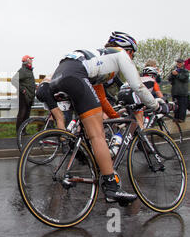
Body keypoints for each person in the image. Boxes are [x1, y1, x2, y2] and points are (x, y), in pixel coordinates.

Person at [49, 31, 169, 205]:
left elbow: (101, 98)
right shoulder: (119, 55)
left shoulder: (100, 60)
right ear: (129, 50)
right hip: (75, 76)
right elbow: (138, 86)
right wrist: (156, 106)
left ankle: (86, 154)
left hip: (59, 76)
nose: (131, 59)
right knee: (97, 134)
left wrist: (114, 115)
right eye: (133, 55)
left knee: (92, 125)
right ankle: (112, 187)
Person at [12, 55, 36, 133]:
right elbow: (13, 80)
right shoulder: (23, 70)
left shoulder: (29, 70)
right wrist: (23, 90)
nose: (32, 61)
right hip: (23, 96)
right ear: (27, 60)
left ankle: (23, 131)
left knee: (26, 115)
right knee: (22, 114)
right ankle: (19, 132)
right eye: (31, 59)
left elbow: (27, 82)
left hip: (29, 96)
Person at [168, 58, 189, 123]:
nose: (178, 64)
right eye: (177, 62)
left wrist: (177, 74)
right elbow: (169, 79)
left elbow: (184, 78)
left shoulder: (185, 71)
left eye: (180, 62)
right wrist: (173, 75)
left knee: (182, 106)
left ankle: (181, 118)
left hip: (182, 92)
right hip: (175, 91)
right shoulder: (174, 70)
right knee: (175, 106)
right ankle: (176, 118)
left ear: (183, 63)